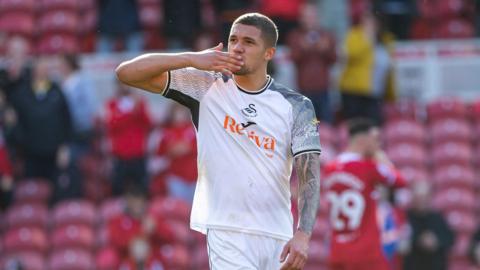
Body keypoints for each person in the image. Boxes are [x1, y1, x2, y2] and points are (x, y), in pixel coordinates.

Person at [116, 12, 321, 270]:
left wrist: (304, 232)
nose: (237, 47)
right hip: (227, 230)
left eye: (248, 42)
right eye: (233, 39)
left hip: (277, 234)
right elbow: (126, 73)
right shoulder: (205, 86)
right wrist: (191, 58)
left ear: (269, 53)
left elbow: (309, 173)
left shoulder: (298, 106)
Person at [323, 118, 406, 270]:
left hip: (337, 252)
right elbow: (400, 182)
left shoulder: (330, 168)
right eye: (375, 139)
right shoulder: (369, 167)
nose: (378, 145)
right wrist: (382, 159)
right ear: (363, 139)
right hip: (366, 255)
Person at [338, 12, 396, 125]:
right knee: (356, 127)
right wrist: (367, 40)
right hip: (353, 91)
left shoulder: (386, 40)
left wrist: (392, 94)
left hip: (375, 93)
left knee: (373, 127)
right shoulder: (354, 36)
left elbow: (389, 68)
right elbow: (351, 55)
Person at [287, 1, 337, 124]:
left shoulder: (327, 35)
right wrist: (303, 49)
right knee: (306, 126)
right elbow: (293, 58)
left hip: (324, 90)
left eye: (312, 15)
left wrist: (326, 50)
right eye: (307, 16)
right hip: (304, 90)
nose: (310, 19)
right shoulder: (295, 36)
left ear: (318, 17)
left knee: (326, 125)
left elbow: (334, 59)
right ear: (301, 18)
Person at [108, 185, 174, 269]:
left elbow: (170, 237)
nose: (137, 205)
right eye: (134, 202)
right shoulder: (118, 220)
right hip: (128, 261)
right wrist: (137, 235)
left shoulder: (153, 219)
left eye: (140, 201)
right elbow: (115, 241)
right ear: (128, 202)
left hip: (151, 262)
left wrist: (156, 228)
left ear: (144, 202)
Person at [105, 82, 152, 196]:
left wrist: (138, 108)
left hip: (138, 154)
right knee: (118, 188)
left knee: (142, 188)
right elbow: (112, 124)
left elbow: (148, 123)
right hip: (120, 155)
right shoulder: (112, 103)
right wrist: (131, 112)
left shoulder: (140, 102)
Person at [403, 180, 454, 270]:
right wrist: (419, 241)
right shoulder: (404, 217)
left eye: (425, 196)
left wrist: (437, 241)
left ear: (430, 197)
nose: (422, 200)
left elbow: (450, 238)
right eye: (419, 196)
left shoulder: (437, 217)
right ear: (413, 197)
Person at [156, 103, 197, 203]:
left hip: (194, 176)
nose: (179, 115)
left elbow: (199, 148)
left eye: (182, 112)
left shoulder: (193, 129)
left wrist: (186, 148)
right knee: (179, 206)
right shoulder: (166, 131)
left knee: (193, 207)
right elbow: (161, 152)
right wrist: (174, 150)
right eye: (177, 112)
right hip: (176, 176)